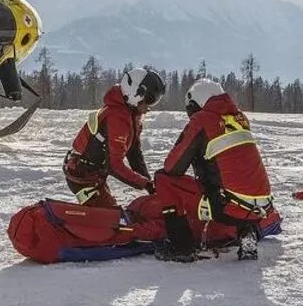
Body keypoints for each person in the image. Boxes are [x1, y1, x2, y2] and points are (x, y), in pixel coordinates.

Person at [152, 78, 275, 262]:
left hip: (227, 207)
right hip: (260, 207)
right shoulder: (240, 118)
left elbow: (173, 167)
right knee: (236, 178)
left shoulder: (202, 119)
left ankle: (181, 247)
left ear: (197, 102)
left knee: (163, 178)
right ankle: (246, 231)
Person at [62, 67, 166, 208]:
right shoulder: (117, 117)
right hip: (81, 174)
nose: (149, 107)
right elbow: (114, 165)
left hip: (93, 173)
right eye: (150, 99)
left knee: (110, 211)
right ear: (135, 94)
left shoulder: (131, 116)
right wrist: (145, 183)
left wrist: (149, 184)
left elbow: (134, 153)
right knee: (110, 216)